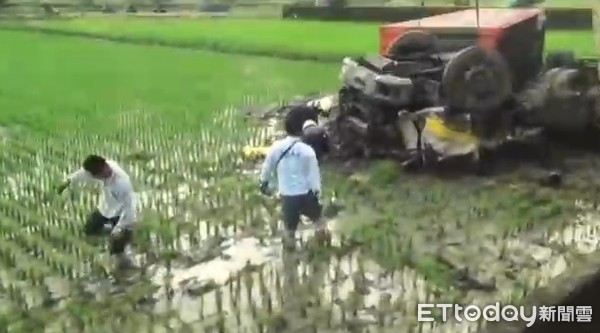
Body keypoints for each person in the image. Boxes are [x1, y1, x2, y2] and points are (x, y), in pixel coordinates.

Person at [259, 112, 330, 249]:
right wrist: (317, 194)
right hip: (307, 194)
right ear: (301, 130)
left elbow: (267, 168)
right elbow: (313, 176)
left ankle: (289, 260)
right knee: (319, 222)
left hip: (288, 196)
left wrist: (264, 183)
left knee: (289, 230)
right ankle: (323, 249)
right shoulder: (307, 150)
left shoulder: (276, 148)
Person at [57, 154, 136, 270]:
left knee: (117, 250)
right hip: (104, 208)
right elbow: (82, 172)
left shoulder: (122, 184)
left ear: (103, 169)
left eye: (98, 176)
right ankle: (110, 232)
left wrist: (119, 228)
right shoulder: (100, 167)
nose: (97, 179)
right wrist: (68, 181)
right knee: (89, 230)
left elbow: (129, 208)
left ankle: (122, 252)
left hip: (120, 214)